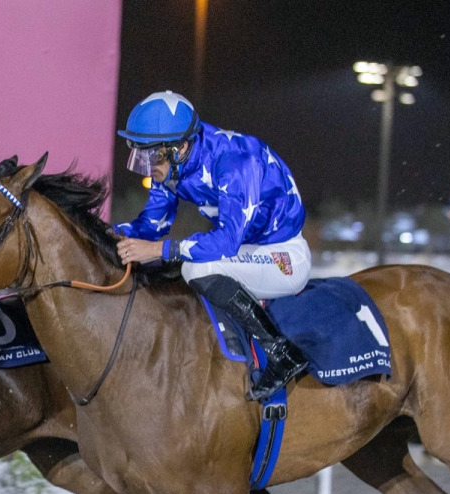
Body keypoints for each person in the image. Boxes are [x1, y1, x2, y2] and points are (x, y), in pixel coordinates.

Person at [113, 90, 311, 401]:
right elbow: (152, 227)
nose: (148, 167)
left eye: (152, 156)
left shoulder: (234, 163)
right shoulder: (172, 169)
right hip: (248, 252)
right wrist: (104, 235)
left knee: (196, 266)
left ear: (179, 149)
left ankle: (281, 353)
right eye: (141, 155)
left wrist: (157, 250)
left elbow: (226, 242)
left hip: (284, 256)